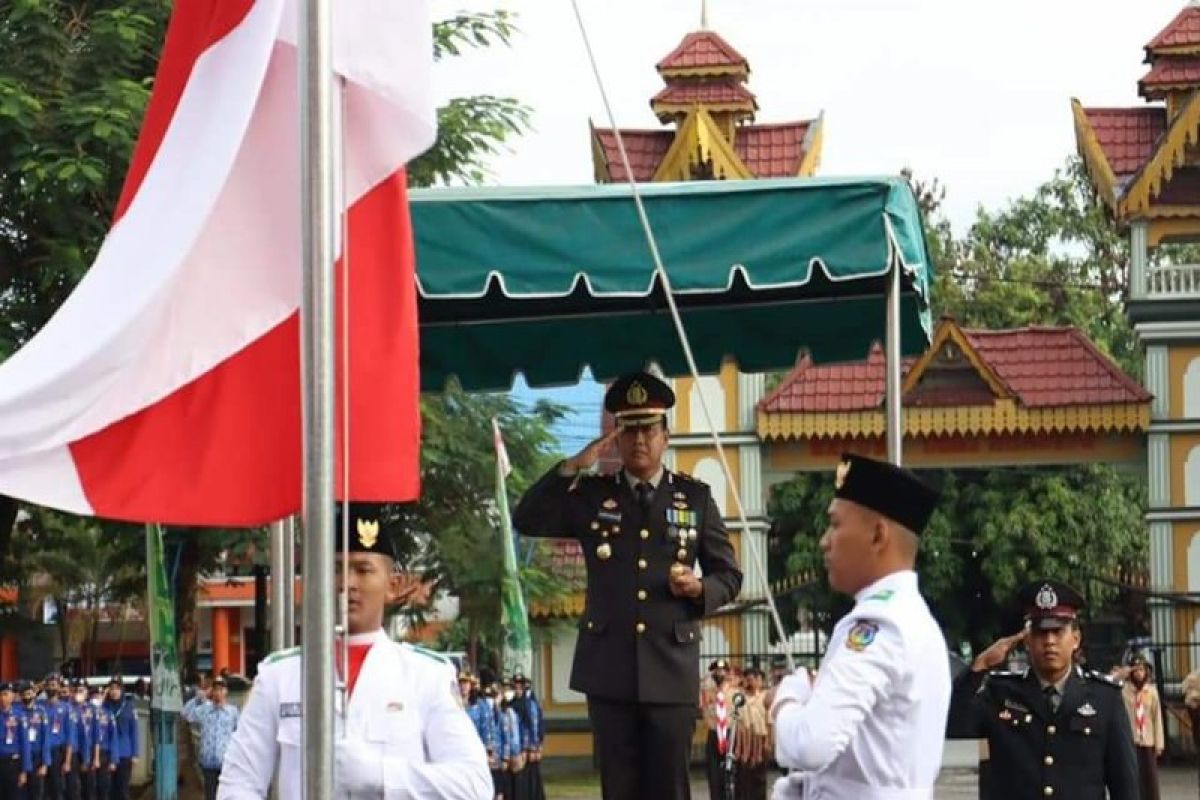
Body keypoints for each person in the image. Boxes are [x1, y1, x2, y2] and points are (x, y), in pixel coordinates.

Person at [513, 371, 743, 800]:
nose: (640, 439)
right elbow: (525, 518)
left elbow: (729, 576)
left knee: (669, 790)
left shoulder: (694, 499)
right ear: (616, 439)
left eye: (649, 429)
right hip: (610, 672)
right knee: (618, 790)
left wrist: (699, 589)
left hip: (670, 670)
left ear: (666, 436)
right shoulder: (592, 496)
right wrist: (570, 468)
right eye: (630, 429)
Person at [217, 503, 491, 799]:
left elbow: (474, 785)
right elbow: (238, 783)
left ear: (392, 585)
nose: (347, 584)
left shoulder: (425, 676)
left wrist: (383, 776)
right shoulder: (280, 676)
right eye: (335, 569)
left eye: (363, 570)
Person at [769, 453, 949, 799]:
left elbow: (811, 744)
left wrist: (785, 699)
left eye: (836, 525)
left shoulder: (880, 626)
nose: (824, 540)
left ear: (878, 535)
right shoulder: (908, 616)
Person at [946, 579, 1139, 800]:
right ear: (1027, 640)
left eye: (1058, 632)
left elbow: (1126, 785)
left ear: (1076, 639)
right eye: (1040, 633)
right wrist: (978, 667)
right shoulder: (1000, 693)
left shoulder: (1105, 698)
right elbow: (954, 727)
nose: (1049, 641)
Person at [182, 675, 240, 800]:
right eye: (215, 689)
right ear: (212, 691)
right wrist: (198, 697)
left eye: (221, 689)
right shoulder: (205, 710)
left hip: (226, 763)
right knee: (210, 796)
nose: (218, 692)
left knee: (226, 796)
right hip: (208, 763)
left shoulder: (233, 712)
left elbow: (240, 735)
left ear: (226, 691)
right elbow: (185, 714)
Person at [1118, 654, 1164, 800]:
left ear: (1147, 672)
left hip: (1148, 740)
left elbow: (1157, 718)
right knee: (1133, 775)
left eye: (1142, 670)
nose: (1139, 673)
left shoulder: (1151, 692)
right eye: (1136, 670)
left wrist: (1159, 743)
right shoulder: (1124, 691)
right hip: (1131, 740)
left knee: (1149, 775)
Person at [701, 659, 735, 800]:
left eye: (723, 671)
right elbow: (703, 709)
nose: (720, 673)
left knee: (730, 773)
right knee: (714, 773)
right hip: (714, 734)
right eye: (716, 671)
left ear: (727, 673)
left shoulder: (734, 692)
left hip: (730, 735)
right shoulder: (707, 692)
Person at [734, 665, 769, 800]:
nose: (751, 682)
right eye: (748, 679)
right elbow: (742, 725)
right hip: (745, 739)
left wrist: (768, 741)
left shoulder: (765, 697)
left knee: (759, 776)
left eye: (754, 679)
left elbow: (769, 722)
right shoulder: (742, 698)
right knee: (744, 776)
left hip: (760, 738)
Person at [511, 675, 544, 800]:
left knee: (534, 778)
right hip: (519, 748)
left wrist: (537, 746)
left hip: (532, 748)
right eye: (516, 687)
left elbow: (537, 725)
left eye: (521, 687)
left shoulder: (532, 705)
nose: (518, 690)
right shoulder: (512, 705)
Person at [104, 678, 137, 800]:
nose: (114, 692)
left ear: (122, 691)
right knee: (109, 789)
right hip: (107, 753)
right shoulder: (104, 707)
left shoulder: (129, 707)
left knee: (123, 788)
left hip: (124, 752)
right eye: (111, 689)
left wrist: (135, 753)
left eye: (117, 689)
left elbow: (134, 731)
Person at [20, 679, 51, 800]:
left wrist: (45, 763)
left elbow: (46, 738)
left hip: (37, 756)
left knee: (37, 793)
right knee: (23, 792)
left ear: (34, 694)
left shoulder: (41, 712)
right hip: (22, 757)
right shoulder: (17, 712)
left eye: (29, 693)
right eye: (24, 694)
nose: (27, 696)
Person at [43, 676, 73, 800]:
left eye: (54, 685)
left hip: (57, 753)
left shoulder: (66, 708)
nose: (51, 688)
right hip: (41, 753)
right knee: (42, 790)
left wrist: (67, 761)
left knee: (57, 789)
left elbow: (70, 736)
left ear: (59, 687)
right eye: (49, 685)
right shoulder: (39, 707)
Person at [0, 683, 30, 800]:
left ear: (12, 696)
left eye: (6, 694)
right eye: (1, 694)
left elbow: (25, 744)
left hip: (14, 764)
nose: (2, 698)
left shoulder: (20, 716)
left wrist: (24, 771)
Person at [65, 679, 91, 800]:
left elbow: (85, 736)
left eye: (81, 690)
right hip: (69, 752)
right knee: (70, 788)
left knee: (87, 788)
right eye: (75, 690)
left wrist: (86, 758)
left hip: (86, 753)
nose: (77, 693)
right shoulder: (67, 708)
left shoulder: (91, 710)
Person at [90, 685, 116, 800]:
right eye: (95, 695)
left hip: (104, 752)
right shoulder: (87, 712)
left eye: (100, 695)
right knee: (90, 787)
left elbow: (113, 737)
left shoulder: (108, 714)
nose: (98, 698)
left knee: (104, 786)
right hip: (90, 751)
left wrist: (113, 759)